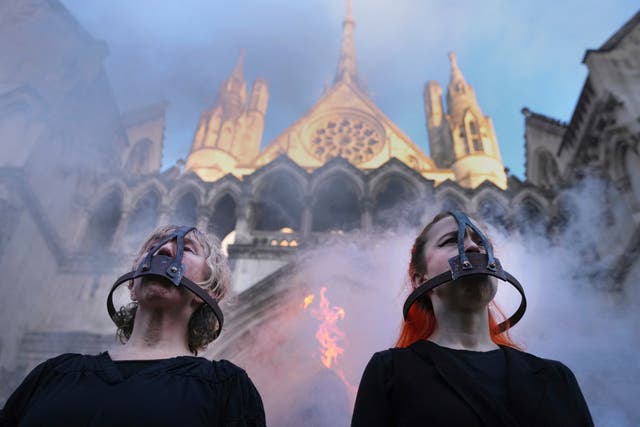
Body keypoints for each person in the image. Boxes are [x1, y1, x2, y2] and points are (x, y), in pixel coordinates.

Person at [1, 225, 266, 427]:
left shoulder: (225, 389)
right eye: (154, 247)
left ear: (209, 290)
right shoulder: (55, 374)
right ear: (131, 284)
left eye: (187, 249)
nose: (163, 251)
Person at [351, 211, 593, 427]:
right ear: (420, 280)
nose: (472, 248)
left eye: (481, 242)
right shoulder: (391, 373)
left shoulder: (555, 378)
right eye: (450, 241)